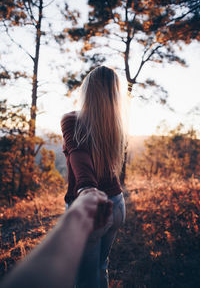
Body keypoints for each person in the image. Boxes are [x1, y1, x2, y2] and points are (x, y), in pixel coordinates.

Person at [61, 65, 126, 288]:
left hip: (91, 208)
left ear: (87, 92)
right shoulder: (115, 124)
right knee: (100, 267)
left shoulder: (71, 120)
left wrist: (87, 187)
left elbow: (77, 154)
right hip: (117, 204)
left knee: (85, 279)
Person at [1, 189, 112, 288]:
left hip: (93, 206)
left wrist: (77, 213)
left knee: (86, 277)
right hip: (116, 201)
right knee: (100, 267)